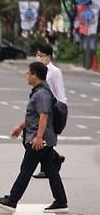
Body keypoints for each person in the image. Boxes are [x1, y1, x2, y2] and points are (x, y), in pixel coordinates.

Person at [0, 62, 68, 213]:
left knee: (26, 169)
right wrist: (20, 127)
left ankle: (12, 200)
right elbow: (34, 116)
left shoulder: (42, 94)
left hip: (40, 140)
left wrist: (39, 138)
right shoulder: (40, 91)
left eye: (28, 73)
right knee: (51, 170)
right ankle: (61, 201)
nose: (27, 76)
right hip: (43, 139)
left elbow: (43, 116)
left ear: (34, 75)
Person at [33, 43, 67, 179]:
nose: (39, 57)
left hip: (52, 108)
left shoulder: (54, 71)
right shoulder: (39, 70)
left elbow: (60, 92)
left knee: (45, 137)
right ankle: (54, 160)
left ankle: (46, 168)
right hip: (41, 106)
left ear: (48, 57)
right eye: (37, 55)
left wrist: (60, 109)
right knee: (39, 138)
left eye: (41, 55)